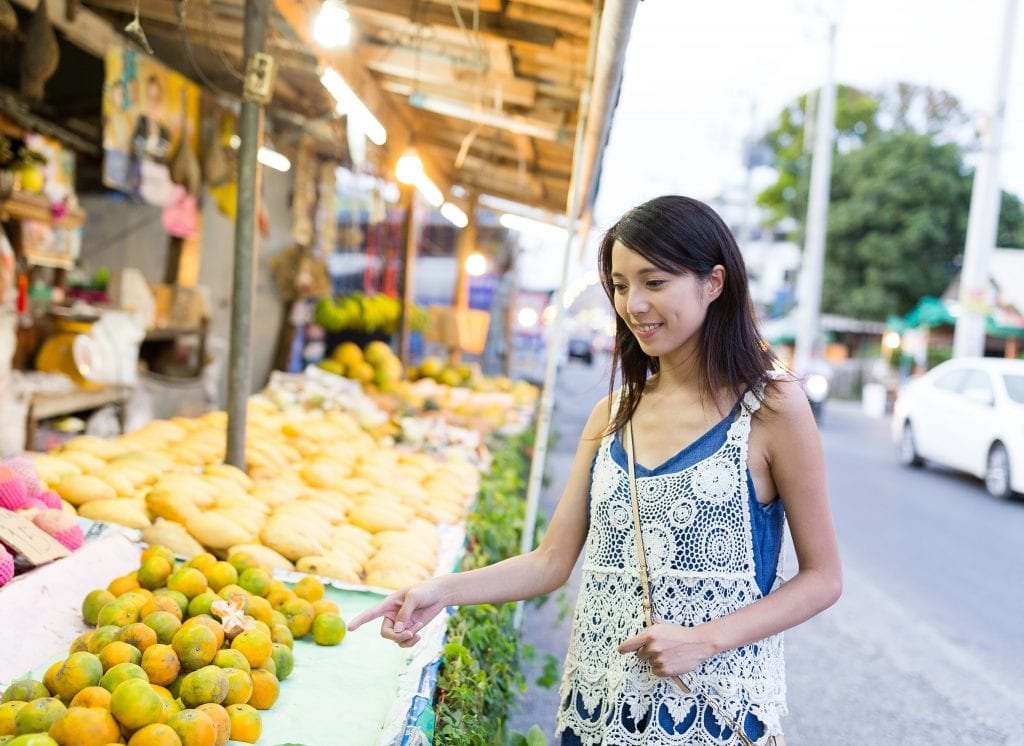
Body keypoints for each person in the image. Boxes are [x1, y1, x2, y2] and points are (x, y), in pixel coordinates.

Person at [349, 195, 842, 745]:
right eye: (622, 285)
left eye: (654, 282)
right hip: (597, 712)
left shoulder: (772, 409)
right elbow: (552, 560)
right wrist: (438, 591)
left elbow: (824, 577)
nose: (634, 304)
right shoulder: (611, 414)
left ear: (714, 282)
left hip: (713, 717)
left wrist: (706, 638)